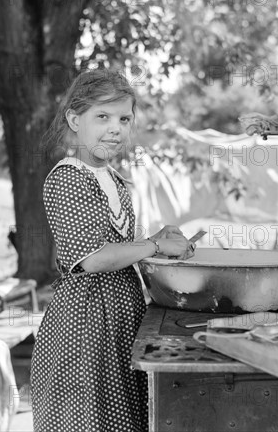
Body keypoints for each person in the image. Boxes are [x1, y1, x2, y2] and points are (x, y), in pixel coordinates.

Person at [31, 69, 195, 431]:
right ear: (75, 120)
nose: (115, 128)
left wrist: (158, 237)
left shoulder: (113, 178)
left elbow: (120, 246)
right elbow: (94, 258)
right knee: (90, 419)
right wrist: (154, 244)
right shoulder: (68, 178)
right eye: (102, 117)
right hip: (85, 323)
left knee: (121, 417)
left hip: (120, 316)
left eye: (124, 118)